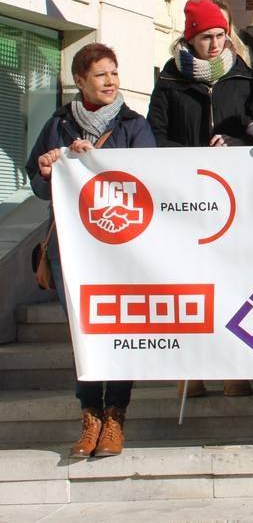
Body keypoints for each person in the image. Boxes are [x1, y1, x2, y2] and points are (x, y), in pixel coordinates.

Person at [25, 43, 155, 458]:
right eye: (101, 75)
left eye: (114, 73)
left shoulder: (135, 125)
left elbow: (148, 180)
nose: (111, 81)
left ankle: (116, 415)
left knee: (117, 332)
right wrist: (51, 168)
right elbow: (42, 184)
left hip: (120, 250)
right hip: (70, 249)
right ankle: (90, 416)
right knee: (83, 334)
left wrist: (98, 163)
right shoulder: (58, 124)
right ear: (79, 81)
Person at [147, 0, 253, 400]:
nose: (215, 44)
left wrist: (240, 137)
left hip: (234, 194)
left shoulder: (243, 75)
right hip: (187, 196)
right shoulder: (169, 80)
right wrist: (190, 156)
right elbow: (155, 135)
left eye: (220, 35)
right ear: (190, 38)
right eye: (205, 37)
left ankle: (234, 370)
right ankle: (191, 372)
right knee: (191, 287)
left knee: (233, 284)